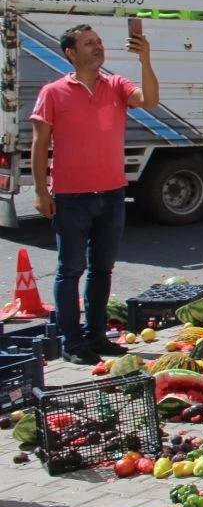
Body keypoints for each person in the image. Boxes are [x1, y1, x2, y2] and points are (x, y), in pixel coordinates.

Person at [30, 24, 159, 364]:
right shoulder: (53, 92)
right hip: (71, 197)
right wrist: (42, 191)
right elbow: (40, 145)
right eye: (89, 43)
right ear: (71, 53)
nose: (98, 47)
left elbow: (150, 100)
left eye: (99, 41)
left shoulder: (115, 85)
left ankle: (97, 336)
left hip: (112, 193)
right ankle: (73, 343)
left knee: (102, 269)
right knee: (70, 269)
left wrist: (145, 59)